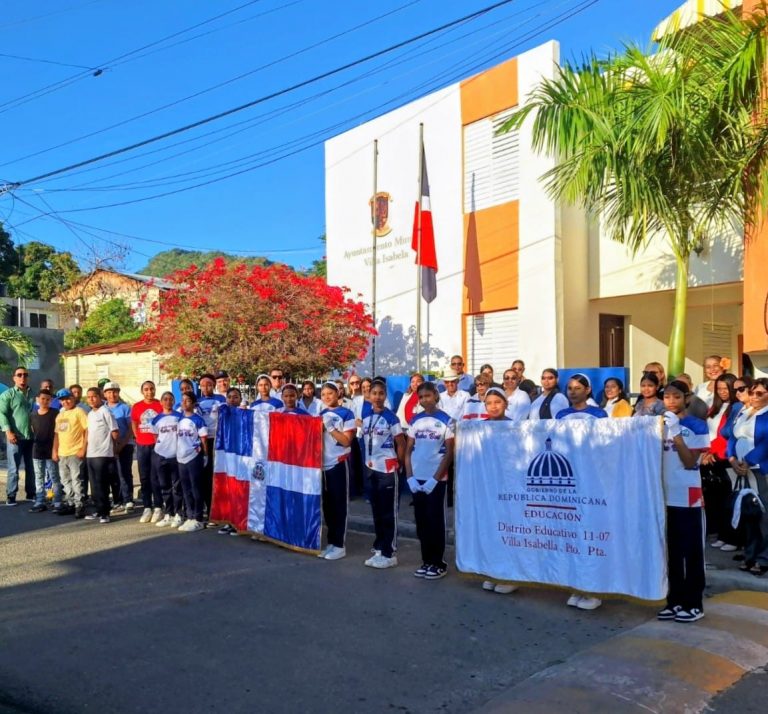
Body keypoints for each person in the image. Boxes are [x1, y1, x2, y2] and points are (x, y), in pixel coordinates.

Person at [657, 380, 709, 623]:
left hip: (688, 494)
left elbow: (690, 462)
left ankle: (694, 603)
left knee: (691, 551)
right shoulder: (660, 424)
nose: (671, 401)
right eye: (667, 397)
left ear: (686, 398)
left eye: (676, 396)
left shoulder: (696, 425)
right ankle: (675, 600)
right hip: (665, 494)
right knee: (672, 551)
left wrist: (677, 434)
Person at [557, 374, 607, 609]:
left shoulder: (598, 415)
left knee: (589, 535)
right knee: (571, 536)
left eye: (578, 388)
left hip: (591, 480)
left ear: (588, 390)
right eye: (569, 388)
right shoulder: (561, 415)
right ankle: (577, 585)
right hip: (568, 480)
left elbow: (604, 445)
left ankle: (594, 589)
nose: (573, 392)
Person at [405, 382, 455, 580]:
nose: (425, 400)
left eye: (428, 395)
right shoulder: (415, 420)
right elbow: (409, 450)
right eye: (421, 397)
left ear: (435, 395)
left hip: (436, 479)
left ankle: (438, 562)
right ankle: (426, 560)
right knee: (421, 521)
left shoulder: (447, 420)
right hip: (417, 478)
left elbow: (450, 452)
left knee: (436, 521)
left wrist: (436, 479)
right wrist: (409, 477)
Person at [360, 379, 406, 569]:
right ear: (369, 396)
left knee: (388, 513)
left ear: (385, 396)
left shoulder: (391, 418)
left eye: (381, 393)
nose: (377, 397)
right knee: (376, 512)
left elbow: (401, 443)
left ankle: (390, 552)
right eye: (374, 393)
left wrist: (400, 464)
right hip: (371, 469)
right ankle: (379, 547)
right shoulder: (366, 418)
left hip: (387, 470)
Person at [727, 377, 768, 577]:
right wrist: (732, 458)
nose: (755, 397)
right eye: (753, 392)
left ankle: (764, 557)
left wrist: (749, 461)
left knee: (763, 515)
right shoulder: (744, 412)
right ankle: (750, 554)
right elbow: (732, 437)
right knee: (749, 514)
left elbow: (766, 443)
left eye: (760, 393)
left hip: (760, 469)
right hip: (741, 469)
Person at [480, 387, 518, 595]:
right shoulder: (478, 428)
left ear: (506, 404)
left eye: (498, 402)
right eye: (489, 403)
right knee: (491, 530)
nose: (493, 406)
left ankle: (509, 575)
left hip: (507, 487)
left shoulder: (514, 427)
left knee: (507, 530)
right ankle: (493, 571)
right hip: (487, 487)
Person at [701, 374, 740, 552]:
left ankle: (731, 536)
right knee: (714, 499)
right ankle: (720, 533)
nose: (723, 392)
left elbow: (727, 434)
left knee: (727, 499)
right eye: (720, 389)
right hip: (708, 455)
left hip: (723, 457)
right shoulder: (714, 408)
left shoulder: (736, 407)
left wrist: (712, 452)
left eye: (726, 388)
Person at [318, 382, 356, 560]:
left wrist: (331, 428)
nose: (327, 397)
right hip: (323, 465)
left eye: (330, 393)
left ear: (338, 393)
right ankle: (331, 542)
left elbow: (347, 441)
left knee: (339, 505)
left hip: (339, 464)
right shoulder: (321, 414)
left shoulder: (347, 413)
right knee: (327, 506)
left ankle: (340, 545)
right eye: (323, 394)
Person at [84, 387, 119, 524]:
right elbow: (88, 433)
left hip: (103, 453)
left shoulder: (106, 412)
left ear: (100, 397)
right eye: (88, 397)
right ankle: (98, 509)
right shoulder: (91, 414)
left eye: (94, 396)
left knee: (102, 483)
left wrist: (115, 450)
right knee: (94, 485)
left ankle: (105, 513)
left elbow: (115, 432)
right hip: (91, 453)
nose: (91, 399)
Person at [1, 367, 35, 505]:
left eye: (25, 375)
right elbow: (1, 414)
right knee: (14, 468)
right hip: (15, 437)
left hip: (31, 437)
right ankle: (11, 495)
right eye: (19, 375)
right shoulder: (8, 395)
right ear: (14, 378)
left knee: (31, 467)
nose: (23, 377)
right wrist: (8, 432)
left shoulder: (33, 394)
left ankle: (31, 493)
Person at [131, 381, 164, 524]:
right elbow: (134, 422)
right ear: (142, 391)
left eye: (151, 389)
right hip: (142, 445)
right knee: (144, 477)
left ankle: (158, 506)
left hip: (157, 445)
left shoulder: (160, 405)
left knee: (155, 477)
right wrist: (137, 436)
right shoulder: (137, 406)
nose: (149, 392)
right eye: (146, 389)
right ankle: (147, 507)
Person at [52, 389, 89, 518]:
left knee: (77, 480)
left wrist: (83, 448)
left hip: (75, 452)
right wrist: (55, 451)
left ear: (73, 398)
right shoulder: (60, 415)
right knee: (65, 480)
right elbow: (57, 435)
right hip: (63, 453)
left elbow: (86, 430)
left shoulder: (79, 412)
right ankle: (71, 503)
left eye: (68, 398)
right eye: (62, 400)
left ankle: (80, 505)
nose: (65, 402)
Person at [176, 392, 208, 533]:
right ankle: (189, 516)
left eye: (188, 401)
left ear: (194, 403)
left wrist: (205, 455)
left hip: (194, 457)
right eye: (183, 400)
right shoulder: (179, 419)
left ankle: (198, 518)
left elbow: (204, 440)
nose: (185, 403)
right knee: (186, 488)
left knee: (196, 488)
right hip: (181, 458)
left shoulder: (198, 420)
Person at [152, 392, 184, 529]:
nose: (168, 402)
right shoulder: (156, 419)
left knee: (177, 487)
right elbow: (155, 437)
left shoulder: (179, 417)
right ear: (161, 402)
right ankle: (168, 514)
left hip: (176, 456)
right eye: (165, 399)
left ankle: (178, 514)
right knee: (165, 486)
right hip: (161, 456)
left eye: (171, 399)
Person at [102, 382, 135, 515]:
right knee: (111, 474)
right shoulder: (102, 409)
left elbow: (130, 428)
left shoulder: (125, 408)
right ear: (104, 394)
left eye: (115, 391)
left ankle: (128, 499)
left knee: (124, 472)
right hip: (107, 446)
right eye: (109, 392)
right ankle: (117, 500)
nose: (112, 394)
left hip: (125, 445)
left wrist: (122, 444)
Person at [197, 373, 225, 523]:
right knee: (206, 476)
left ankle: (220, 510)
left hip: (219, 441)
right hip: (203, 441)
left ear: (214, 385)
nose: (206, 387)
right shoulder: (197, 402)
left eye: (209, 384)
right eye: (203, 385)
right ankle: (208, 509)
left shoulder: (221, 399)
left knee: (218, 475)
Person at [29, 389, 61, 513]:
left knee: (54, 477)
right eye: (42, 399)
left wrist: (56, 450)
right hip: (37, 451)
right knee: (39, 477)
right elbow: (32, 430)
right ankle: (40, 501)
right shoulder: (32, 414)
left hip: (51, 451)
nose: (45, 401)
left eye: (48, 399)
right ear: (37, 400)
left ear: (51, 401)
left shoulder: (55, 413)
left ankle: (57, 501)